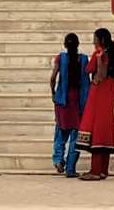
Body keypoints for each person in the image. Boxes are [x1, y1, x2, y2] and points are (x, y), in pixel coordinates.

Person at [77, 27, 114, 181]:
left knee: (96, 129)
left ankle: (95, 171)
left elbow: (90, 70)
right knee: (105, 128)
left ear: (100, 40)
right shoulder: (112, 55)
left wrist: (97, 60)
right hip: (108, 95)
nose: (93, 41)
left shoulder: (99, 54)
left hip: (98, 93)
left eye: (95, 38)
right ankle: (103, 170)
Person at [48, 32, 89, 176]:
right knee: (76, 136)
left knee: (60, 133)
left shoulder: (61, 58)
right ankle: (71, 169)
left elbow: (53, 78)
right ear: (78, 45)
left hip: (63, 100)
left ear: (65, 45)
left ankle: (58, 160)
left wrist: (53, 93)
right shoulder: (83, 59)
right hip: (79, 101)